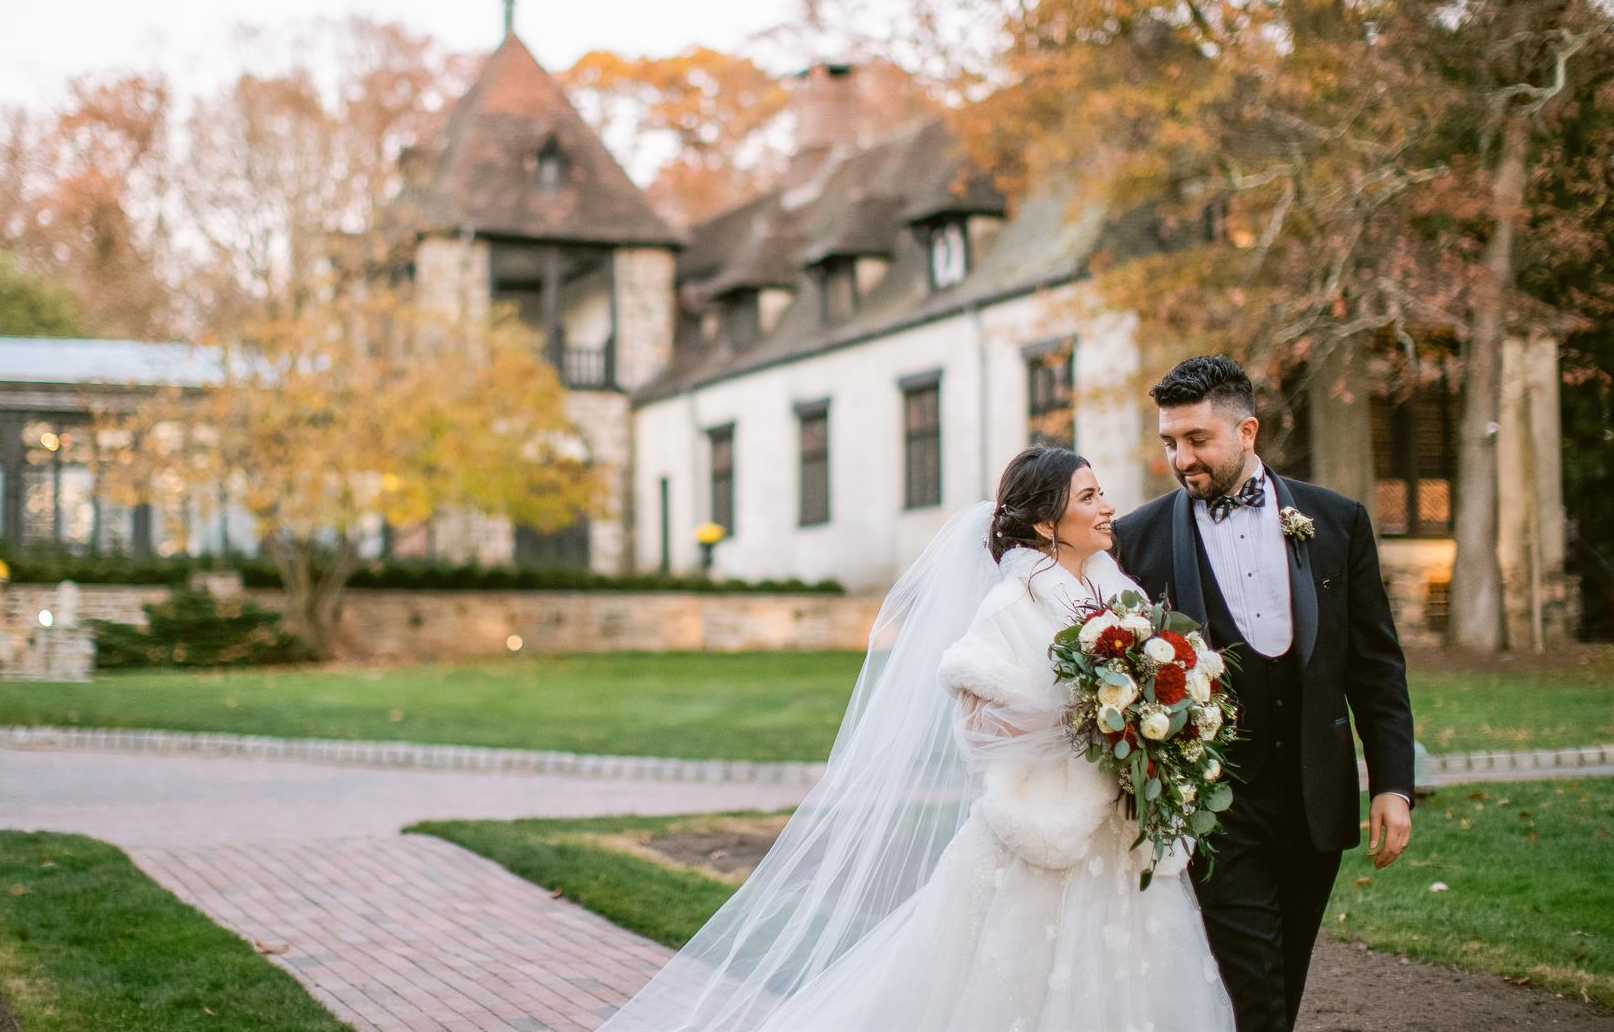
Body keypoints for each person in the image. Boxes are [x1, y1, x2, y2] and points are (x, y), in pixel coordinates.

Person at [599, 446, 1235, 1032]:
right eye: (1089, 497)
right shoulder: (1009, 608)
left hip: (1124, 828)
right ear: (1046, 523)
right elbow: (978, 733)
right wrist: (1092, 718)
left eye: (1101, 493)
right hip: (1045, 831)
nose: (1108, 507)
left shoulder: (1120, 591)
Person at [1110, 354, 1415, 1032]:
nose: (1181, 458)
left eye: (1197, 439)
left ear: (1247, 431)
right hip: (1215, 808)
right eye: (1170, 442)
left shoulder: (1337, 520)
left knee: (1284, 980)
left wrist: (1393, 783)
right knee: (1253, 993)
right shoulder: (1137, 539)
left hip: (1316, 800)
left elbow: (1375, 666)